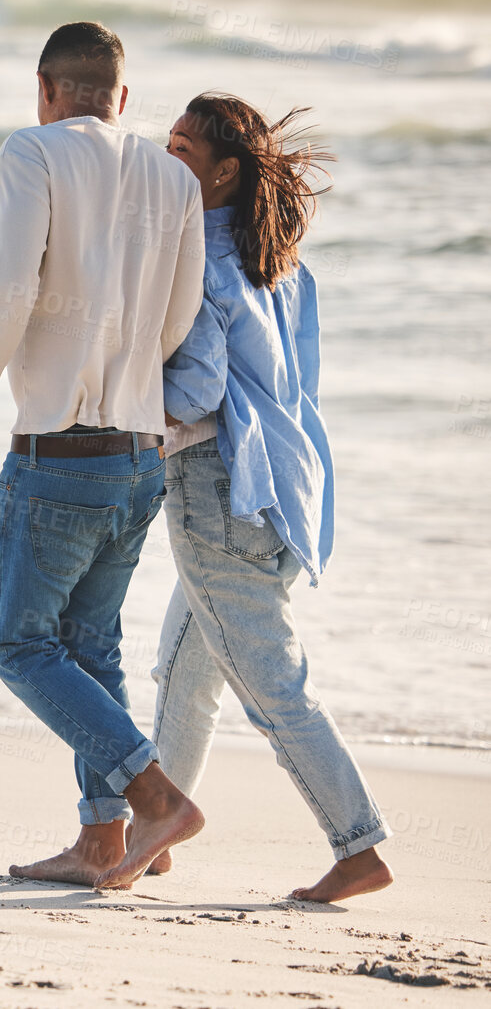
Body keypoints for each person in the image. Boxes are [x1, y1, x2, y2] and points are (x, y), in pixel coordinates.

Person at [0, 21, 207, 890]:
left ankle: (156, 796)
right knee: (90, 647)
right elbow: (180, 317)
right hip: (136, 453)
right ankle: (101, 841)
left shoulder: (33, 152)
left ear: (44, 89)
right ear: (121, 97)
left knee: (15, 641)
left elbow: (8, 283)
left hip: (59, 451)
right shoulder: (172, 175)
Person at [144, 93, 393, 902]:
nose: (164, 156)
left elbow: (197, 388)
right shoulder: (277, 260)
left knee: (269, 684)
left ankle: (357, 845)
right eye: (165, 140)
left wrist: (123, 405)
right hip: (285, 488)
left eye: (181, 149)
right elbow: (297, 382)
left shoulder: (200, 259)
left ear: (221, 173)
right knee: (185, 668)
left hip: (219, 486)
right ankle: (154, 831)